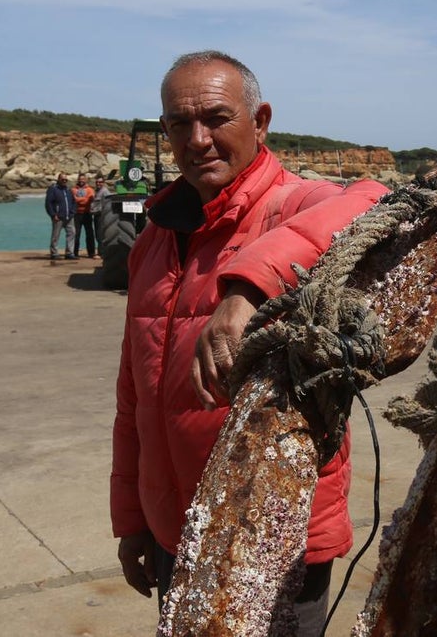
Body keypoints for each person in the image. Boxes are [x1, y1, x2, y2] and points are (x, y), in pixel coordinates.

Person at [110, 51, 386, 634]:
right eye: (180, 124)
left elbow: (373, 201)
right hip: (175, 530)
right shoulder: (152, 242)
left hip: (275, 534)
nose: (198, 140)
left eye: (216, 118)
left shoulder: (292, 203)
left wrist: (250, 286)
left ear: (259, 122)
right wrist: (132, 518)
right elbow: (134, 398)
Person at [44, 172, 76, 260]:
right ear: (58, 179)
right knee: (56, 235)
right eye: (62, 179)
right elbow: (48, 203)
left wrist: (73, 212)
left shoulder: (68, 189)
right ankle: (54, 253)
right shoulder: (53, 189)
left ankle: (69, 252)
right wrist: (53, 214)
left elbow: (73, 201)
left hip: (69, 216)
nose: (64, 181)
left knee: (72, 233)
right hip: (58, 217)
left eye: (66, 179)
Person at [71, 172, 97, 259]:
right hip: (76, 214)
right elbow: (74, 200)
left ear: (86, 180)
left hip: (87, 213)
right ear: (78, 180)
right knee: (76, 234)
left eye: (83, 179)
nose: (81, 181)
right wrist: (83, 199)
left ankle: (91, 253)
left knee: (90, 234)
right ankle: (75, 253)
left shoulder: (90, 190)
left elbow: (87, 200)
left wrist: (79, 200)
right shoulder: (73, 190)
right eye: (80, 179)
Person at [90, 176, 111, 254]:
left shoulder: (105, 191)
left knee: (100, 234)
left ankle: (101, 252)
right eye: (97, 182)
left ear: (103, 183)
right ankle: (101, 251)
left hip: (102, 216)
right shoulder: (96, 191)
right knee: (97, 234)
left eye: (100, 182)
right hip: (96, 215)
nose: (98, 184)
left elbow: (109, 203)